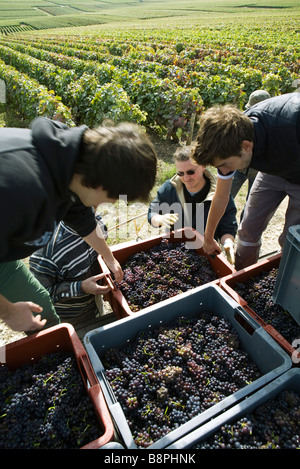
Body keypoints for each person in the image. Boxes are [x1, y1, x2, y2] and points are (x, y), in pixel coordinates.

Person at [0, 117, 157, 333]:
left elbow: (81, 215)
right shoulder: (22, 193)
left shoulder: (70, 163)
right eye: (115, 198)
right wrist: (8, 312)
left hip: (5, 256)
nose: (109, 204)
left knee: (40, 309)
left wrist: (109, 257)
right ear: (101, 186)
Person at [192, 92, 300, 270]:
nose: (225, 171)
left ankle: (288, 280)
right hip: (273, 169)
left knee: (292, 240)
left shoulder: (292, 124)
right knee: (248, 230)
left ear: (246, 146)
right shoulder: (229, 142)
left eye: (226, 165)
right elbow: (221, 197)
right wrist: (209, 238)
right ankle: (242, 280)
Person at [147, 145, 237, 263]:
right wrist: (160, 218)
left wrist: (228, 242)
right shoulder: (169, 189)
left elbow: (228, 226)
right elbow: (152, 213)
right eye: (180, 173)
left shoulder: (219, 194)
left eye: (191, 172)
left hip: (205, 252)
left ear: (203, 166)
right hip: (174, 252)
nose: (186, 178)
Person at [29, 215, 109, 326]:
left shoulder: (98, 222)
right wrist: (80, 287)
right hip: (72, 316)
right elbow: (41, 294)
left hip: (94, 301)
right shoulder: (47, 252)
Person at [230, 90, 271, 219]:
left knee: (251, 206)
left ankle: (244, 233)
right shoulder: (241, 122)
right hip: (239, 169)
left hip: (258, 173)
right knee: (226, 198)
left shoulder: (272, 126)